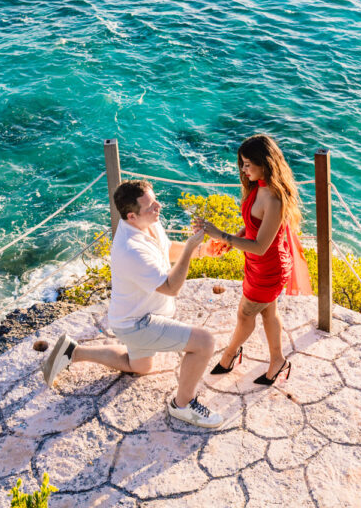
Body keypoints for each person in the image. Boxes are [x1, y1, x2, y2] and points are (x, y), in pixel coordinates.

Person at [40, 179, 224, 428]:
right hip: (138, 323)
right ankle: (182, 405)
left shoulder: (149, 224)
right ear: (131, 216)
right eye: (150, 206)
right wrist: (191, 247)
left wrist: (202, 252)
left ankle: (72, 351)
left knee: (140, 366)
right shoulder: (130, 248)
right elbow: (171, 287)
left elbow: (166, 249)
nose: (158, 206)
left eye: (155, 199)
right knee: (204, 342)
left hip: (132, 317)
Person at [193, 134, 309, 386]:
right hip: (257, 265)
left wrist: (220, 234)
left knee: (245, 316)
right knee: (269, 313)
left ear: (265, 163)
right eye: (242, 164)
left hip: (268, 269)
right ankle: (277, 361)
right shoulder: (258, 188)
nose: (243, 170)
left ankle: (229, 355)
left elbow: (260, 246)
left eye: (248, 164)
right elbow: (252, 229)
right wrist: (231, 239)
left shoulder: (274, 199)